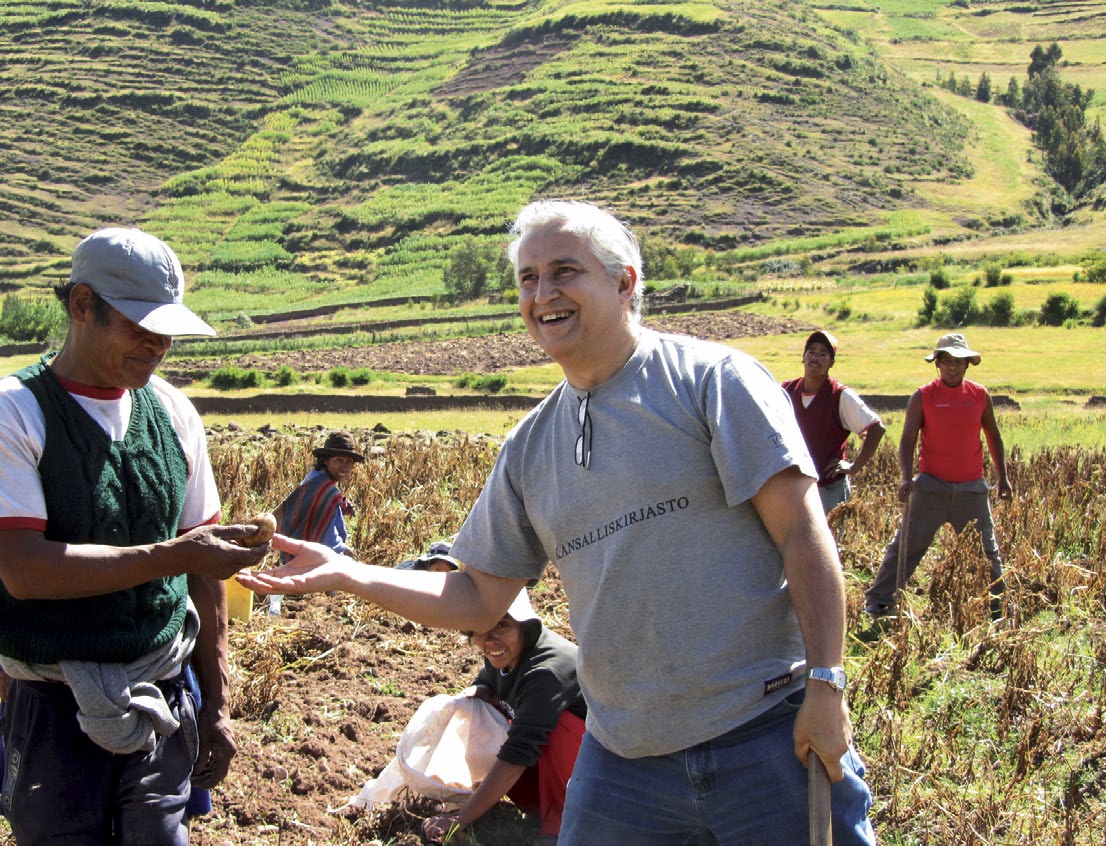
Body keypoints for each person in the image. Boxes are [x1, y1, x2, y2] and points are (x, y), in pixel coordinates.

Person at [239, 200, 876, 845]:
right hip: (625, 758)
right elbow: (477, 595)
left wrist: (827, 685)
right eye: (528, 278)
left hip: (763, 733)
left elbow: (802, 532)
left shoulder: (710, 381)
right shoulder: (529, 446)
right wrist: (350, 574)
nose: (544, 293)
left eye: (565, 271)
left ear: (625, 281)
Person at [0, 227, 269, 845]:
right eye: (140, 326)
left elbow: (202, 575)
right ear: (81, 305)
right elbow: (24, 569)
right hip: (54, 707)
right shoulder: (18, 413)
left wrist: (218, 703)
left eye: (168, 329)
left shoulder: (174, 413)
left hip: (162, 695)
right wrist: (171, 554)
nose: (160, 346)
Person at [864, 332, 1013, 620]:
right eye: (945, 361)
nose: (951, 366)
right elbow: (907, 441)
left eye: (958, 361)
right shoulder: (923, 397)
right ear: (938, 364)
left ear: (968, 364)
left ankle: (998, 608)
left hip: (971, 489)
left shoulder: (980, 396)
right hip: (930, 486)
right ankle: (880, 602)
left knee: (986, 551)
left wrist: (1003, 476)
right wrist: (907, 478)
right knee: (907, 545)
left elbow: (993, 436)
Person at [420, 589, 586, 844]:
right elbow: (485, 684)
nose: (490, 640)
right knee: (486, 709)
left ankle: (564, 823)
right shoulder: (505, 655)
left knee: (553, 726)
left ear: (524, 625)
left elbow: (519, 751)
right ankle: (540, 809)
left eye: (502, 625)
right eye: (479, 630)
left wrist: (460, 819)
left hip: (594, 776)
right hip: (555, 770)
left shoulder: (545, 672)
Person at [781, 330, 886, 514]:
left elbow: (877, 428)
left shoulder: (840, 396)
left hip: (828, 489)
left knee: (829, 542)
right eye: (811, 351)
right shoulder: (785, 391)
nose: (816, 357)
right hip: (795, 487)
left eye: (823, 354)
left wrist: (854, 467)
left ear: (831, 362)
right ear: (803, 357)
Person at [274, 430, 365, 559]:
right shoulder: (324, 489)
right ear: (325, 460)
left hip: (297, 554)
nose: (344, 467)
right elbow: (328, 541)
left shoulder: (315, 478)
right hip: (314, 559)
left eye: (349, 462)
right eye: (339, 460)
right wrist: (343, 552)